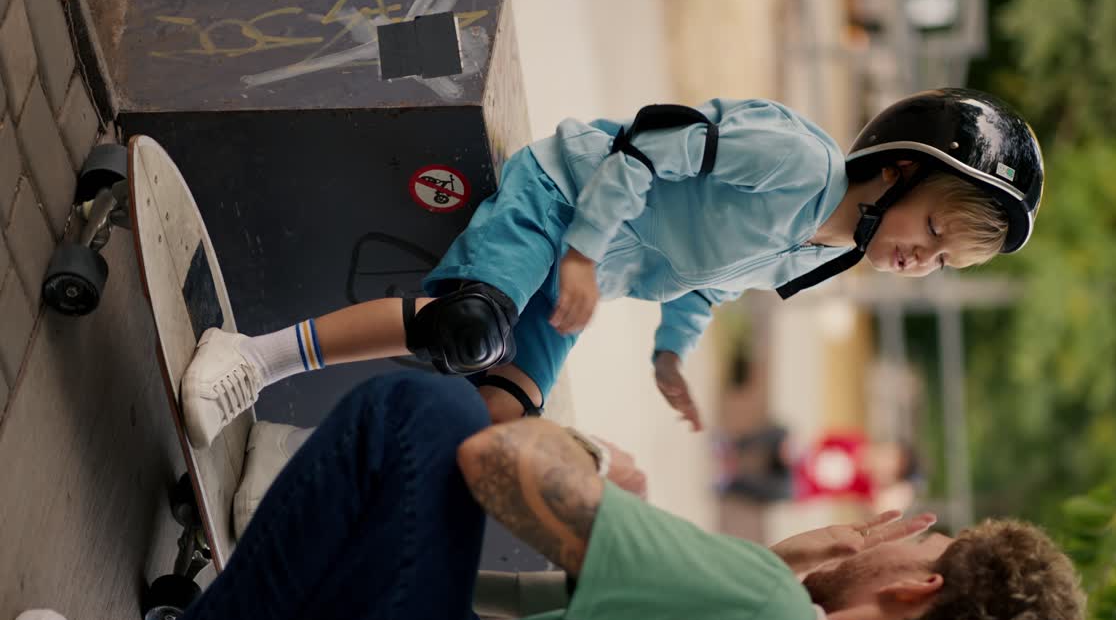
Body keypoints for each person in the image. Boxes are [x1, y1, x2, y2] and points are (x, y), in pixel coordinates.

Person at [2, 372, 1084, 620]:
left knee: (426, 419)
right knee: (455, 595)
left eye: (921, 548)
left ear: (918, 591)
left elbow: (499, 465)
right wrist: (774, 567)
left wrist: (586, 459)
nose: (885, 540)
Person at [178, 88, 1045, 447]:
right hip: (563, 200)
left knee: (504, 424)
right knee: (467, 329)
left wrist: (671, 354)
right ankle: (252, 357)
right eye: (933, 229)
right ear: (898, 168)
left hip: (584, 278)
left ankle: (314, 468)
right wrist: (585, 250)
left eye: (941, 262)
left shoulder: (821, 251)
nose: (920, 259)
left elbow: (709, 283)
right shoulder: (797, 161)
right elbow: (651, 141)